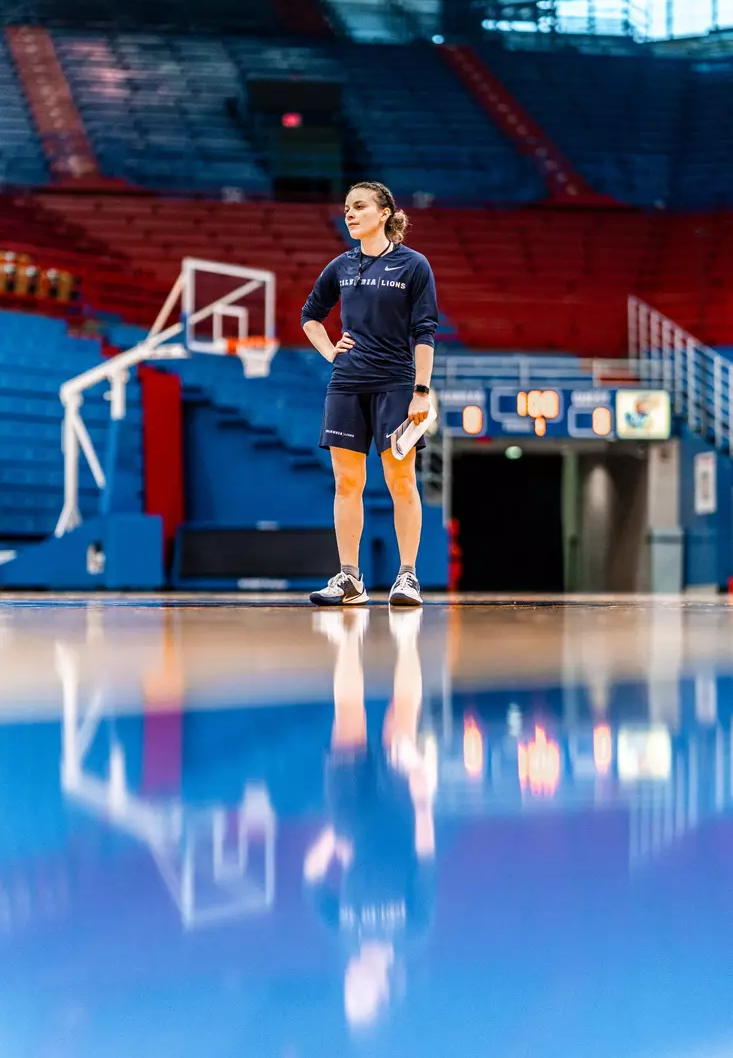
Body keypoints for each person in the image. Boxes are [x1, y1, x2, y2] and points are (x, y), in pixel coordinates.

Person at [301, 181, 439, 607]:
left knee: (401, 481)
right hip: (346, 385)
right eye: (347, 207)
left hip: (396, 384)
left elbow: (425, 332)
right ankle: (350, 579)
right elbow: (310, 316)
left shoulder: (414, 265)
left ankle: (407, 577)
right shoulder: (340, 266)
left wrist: (421, 391)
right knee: (347, 483)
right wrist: (330, 351)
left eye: (359, 206)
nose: (350, 213)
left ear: (384, 214)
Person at [304, 607, 436, 1030]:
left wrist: (332, 837)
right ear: (383, 992)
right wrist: (422, 801)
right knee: (400, 727)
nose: (350, 983)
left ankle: (348, 637)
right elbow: (425, 858)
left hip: (350, 815)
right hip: (397, 813)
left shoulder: (340, 931)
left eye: (348, 991)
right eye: (359, 993)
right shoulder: (414, 928)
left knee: (349, 716)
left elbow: (312, 878)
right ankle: (407, 639)